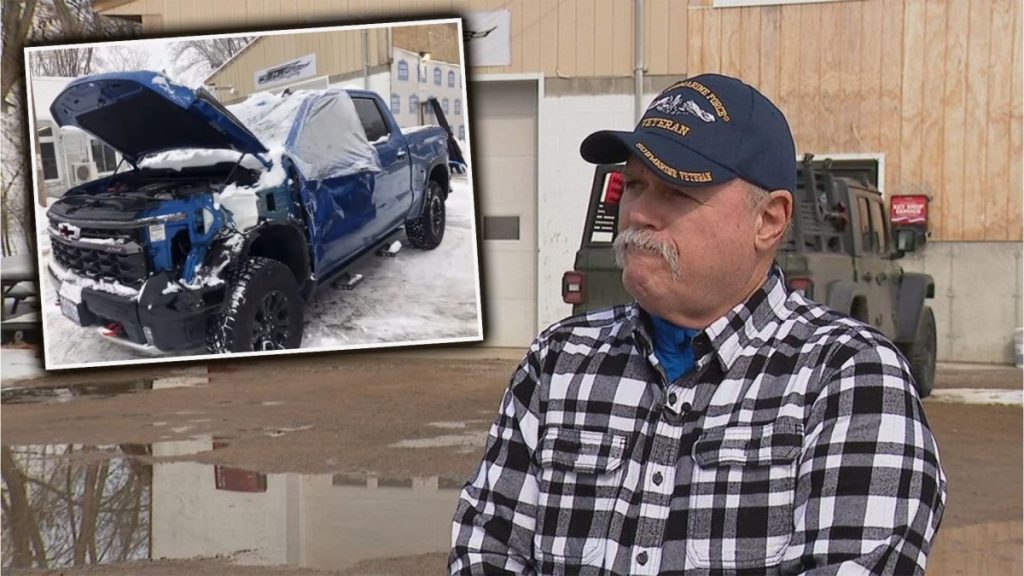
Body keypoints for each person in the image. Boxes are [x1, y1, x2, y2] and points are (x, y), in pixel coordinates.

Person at [449, 73, 946, 575]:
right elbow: (487, 547)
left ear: (768, 219)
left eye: (676, 192)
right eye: (635, 186)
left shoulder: (851, 378)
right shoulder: (559, 362)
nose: (640, 213)